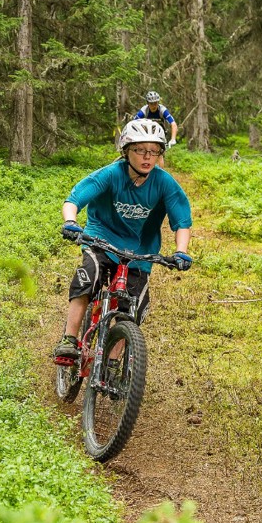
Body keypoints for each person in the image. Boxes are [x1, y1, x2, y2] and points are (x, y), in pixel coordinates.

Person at [52, 118, 193, 361]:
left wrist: (181, 251)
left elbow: (182, 221)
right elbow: (74, 200)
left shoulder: (164, 182)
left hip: (140, 250)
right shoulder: (111, 174)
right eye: (140, 150)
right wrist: (71, 222)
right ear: (127, 151)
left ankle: (113, 362)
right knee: (89, 276)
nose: (147, 157)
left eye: (154, 151)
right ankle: (69, 339)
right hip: (101, 239)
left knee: (131, 309)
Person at [136, 91, 178, 158]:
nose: (154, 106)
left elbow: (173, 124)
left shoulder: (162, 110)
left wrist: (173, 139)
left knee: (160, 155)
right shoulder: (143, 111)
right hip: (146, 134)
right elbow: (133, 124)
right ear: (147, 103)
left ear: (158, 102)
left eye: (155, 103)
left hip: (160, 134)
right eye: (151, 103)